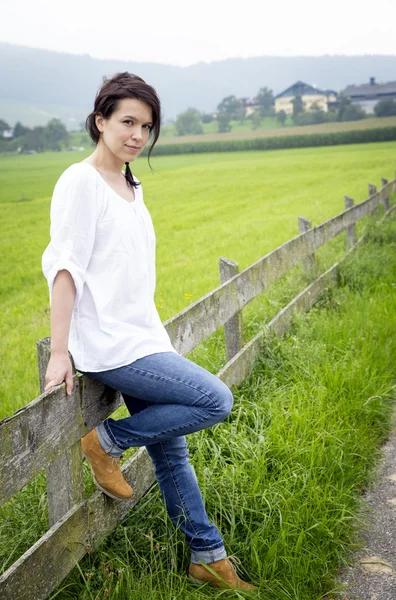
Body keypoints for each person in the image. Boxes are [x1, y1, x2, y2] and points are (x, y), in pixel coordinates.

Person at [41, 72, 255, 591]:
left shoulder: (132, 184)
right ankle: (106, 441)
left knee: (171, 449)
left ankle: (208, 557)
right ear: (101, 121)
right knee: (215, 399)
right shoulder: (81, 181)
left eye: (147, 126)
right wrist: (61, 350)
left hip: (142, 336)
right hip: (109, 343)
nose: (137, 134)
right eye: (127, 122)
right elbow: (66, 269)